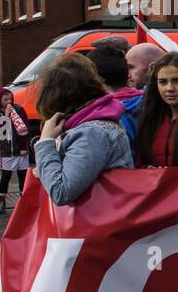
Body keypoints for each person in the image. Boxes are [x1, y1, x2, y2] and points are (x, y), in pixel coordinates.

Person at [31, 55, 134, 204]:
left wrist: (45, 142)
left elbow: (61, 191)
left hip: (98, 221)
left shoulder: (91, 134)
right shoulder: (96, 122)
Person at [0, 87, 32, 214]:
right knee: (5, 176)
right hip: (6, 151)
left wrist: (24, 147)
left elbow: (25, 129)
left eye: (10, 98)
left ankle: (24, 201)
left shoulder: (18, 109)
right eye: (5, 99)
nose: (8, 101)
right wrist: (6, 118)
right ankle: (1, 201)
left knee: (22, 175)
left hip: (20, 150)